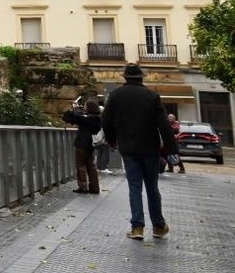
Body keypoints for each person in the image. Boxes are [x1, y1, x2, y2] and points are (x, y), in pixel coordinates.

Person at [101, 63, 178, 240]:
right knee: (152, 188)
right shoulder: (152, 96)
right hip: (150, 147)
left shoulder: (116, 95)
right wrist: (172, 148)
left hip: (128, 147)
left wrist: (112, 140)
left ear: (125, 77)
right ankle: (158, 226)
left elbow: (106, 120)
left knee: (134, 187)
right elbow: (164, 124)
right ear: (142, 77)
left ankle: (137, 228)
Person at [63, 97, 103, 193]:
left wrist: (75, 108)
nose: (84, 107)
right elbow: (77, 118)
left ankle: (83, 186)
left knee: (81, 164)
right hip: (91, 145)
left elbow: (75, 117)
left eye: (85, 106)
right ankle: (94, 187)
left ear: (89, 108)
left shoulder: (87, 118)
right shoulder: (97, 118)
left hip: (82, 144)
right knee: (91, 165)